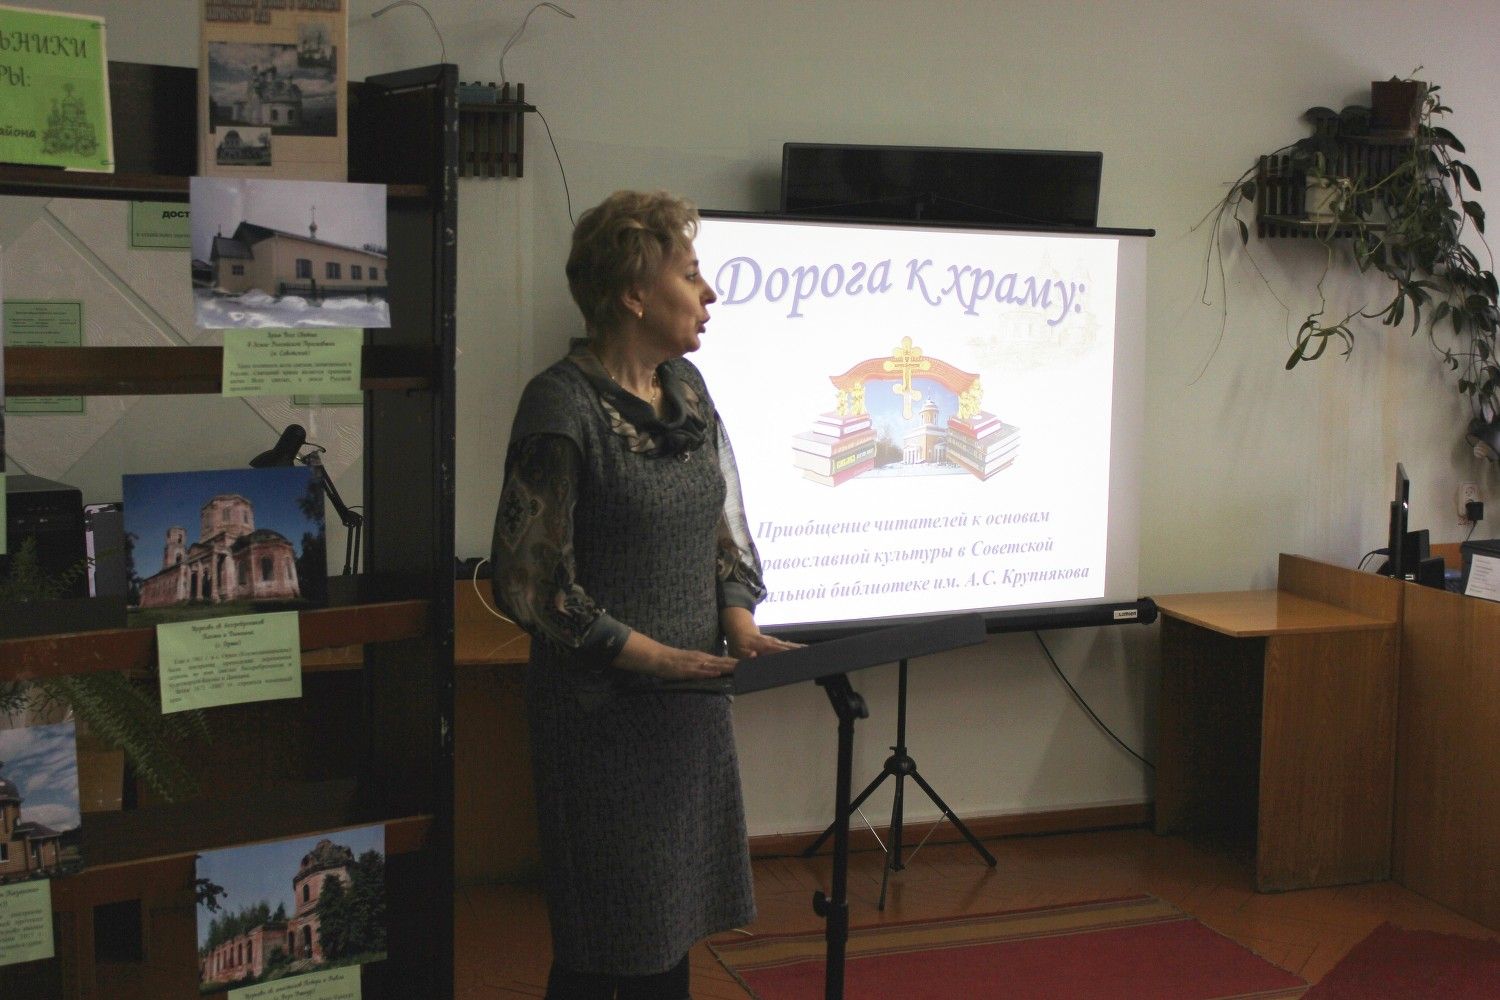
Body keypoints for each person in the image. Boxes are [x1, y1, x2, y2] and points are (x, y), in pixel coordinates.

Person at [490, 190, 796, 1000]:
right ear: (633, 292)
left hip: (687, 711)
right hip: (601, 719)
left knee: (666, 933)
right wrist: (650, 657)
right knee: (606, 944)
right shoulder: (561, 404)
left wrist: (737, 618)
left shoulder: (687, 387)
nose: (709, 292)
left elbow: (720, 525)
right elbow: (528, 577)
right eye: (690, 274)